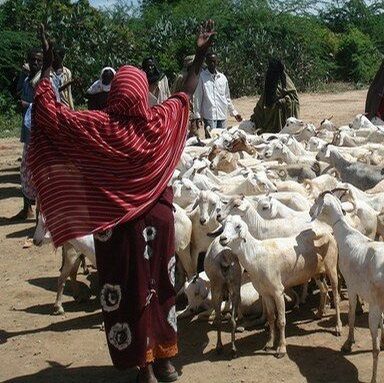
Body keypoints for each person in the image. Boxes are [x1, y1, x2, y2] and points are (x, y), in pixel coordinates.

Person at [28, 20, 217, 383]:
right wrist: (200, 52)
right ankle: (165, 361)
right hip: (159, 225)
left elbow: (48, 113)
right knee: (161, 287)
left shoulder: (97, 127)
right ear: (144, 93)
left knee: (127, 292)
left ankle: (143, 367)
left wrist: (48, 69)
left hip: (117, 229)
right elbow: (187, 91)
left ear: (114, 96)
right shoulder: (159, 122)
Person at [11, 48, 42, 220]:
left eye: (38, 60)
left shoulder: (44, 81)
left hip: (39, 134)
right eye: (32, 60)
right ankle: (27, 208)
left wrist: (28, 106)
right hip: (29, 131)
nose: (35, 63)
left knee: (36, 172)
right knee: (25, 171)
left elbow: (49, 106)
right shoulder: (28, 78)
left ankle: (39, 213)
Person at [193, 52, 242, 129]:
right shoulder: (202, 77)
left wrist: (234, 113)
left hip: (222, 115)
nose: (212, 63)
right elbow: (198, 98)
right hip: (209, 116)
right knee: (211, 140)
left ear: (217, 62)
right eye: (210, 61)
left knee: (223, 139)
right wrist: (198, 115)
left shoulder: (222, 78)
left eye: (214, 61)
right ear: (206, 62)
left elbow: (227, 98)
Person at [250, 59, 300, 133]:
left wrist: (283, 101)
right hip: (269, 115)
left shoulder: (285, 81)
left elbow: (294, 98)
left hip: (282, 115)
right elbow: (262, 102)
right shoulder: (269, 81)